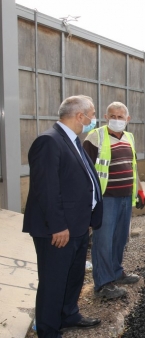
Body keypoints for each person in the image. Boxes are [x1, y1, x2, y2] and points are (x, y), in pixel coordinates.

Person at [23, 95, 103, 337]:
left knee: (73, 275)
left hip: (77, 225)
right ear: (80, 116)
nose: (93, 119)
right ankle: (48, 329)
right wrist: (58, 226)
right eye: (92, 114)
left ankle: (68, 314)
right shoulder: (49, 141)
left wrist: (86, 219)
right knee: (54, 280)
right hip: (58, 229)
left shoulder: (73, 141)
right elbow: (46, 189)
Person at [83, 102, 145, 299]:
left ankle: (117, 273)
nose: (116, 120)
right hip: (106, 198)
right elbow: (85, 170)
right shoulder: (95, 137)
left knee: (120, 238)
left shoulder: (129, 137)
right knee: (103, 240)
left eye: (120, 117)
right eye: (113, 116)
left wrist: (140, 190)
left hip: (126, 196)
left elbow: (133, 165)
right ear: (105, 116)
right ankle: (103, 284)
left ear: (128, 119)